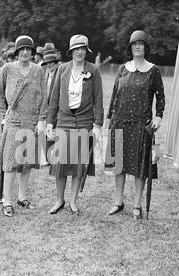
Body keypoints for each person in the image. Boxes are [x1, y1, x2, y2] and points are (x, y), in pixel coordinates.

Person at [106, 30, 165, 219]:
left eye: (140, 44)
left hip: (141, 124)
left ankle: (137, 204)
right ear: (130, 47)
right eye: (134, 44)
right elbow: (115, 95)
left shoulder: (153, 70)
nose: (137, 46)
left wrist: (159, 116)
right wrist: (110, 119)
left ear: (145, 47)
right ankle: (118, 201)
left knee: (140, 167)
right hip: (120, 121)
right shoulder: (123, 69)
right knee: (119, 165)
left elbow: (160, 97)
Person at [46, 34, 104, 216]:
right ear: (71, 51)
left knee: (79, 164)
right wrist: (49, 122)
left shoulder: (93, 71)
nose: (80, 52)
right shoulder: (62, 69)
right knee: (61, 163)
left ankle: (73, 201)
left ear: (86, 50)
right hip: (64, 121)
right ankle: (59, 200)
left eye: (83, 48)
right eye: (76, 49)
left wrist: (97, 125)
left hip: (85, 122)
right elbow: (54, 98)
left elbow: (99, 99)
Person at [0, 35, 46, 218]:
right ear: (16, 52)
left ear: (32, 52)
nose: (25, 52)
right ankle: (7, 201)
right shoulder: (7, 69)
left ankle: (22, 197)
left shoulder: (39, 71)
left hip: (32, 122)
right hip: (14, 121)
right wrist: (4, 114)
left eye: (29, 50)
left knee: (27, 163)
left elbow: (43, 96)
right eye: (22, 49)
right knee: (10, 163)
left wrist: (41, 119)